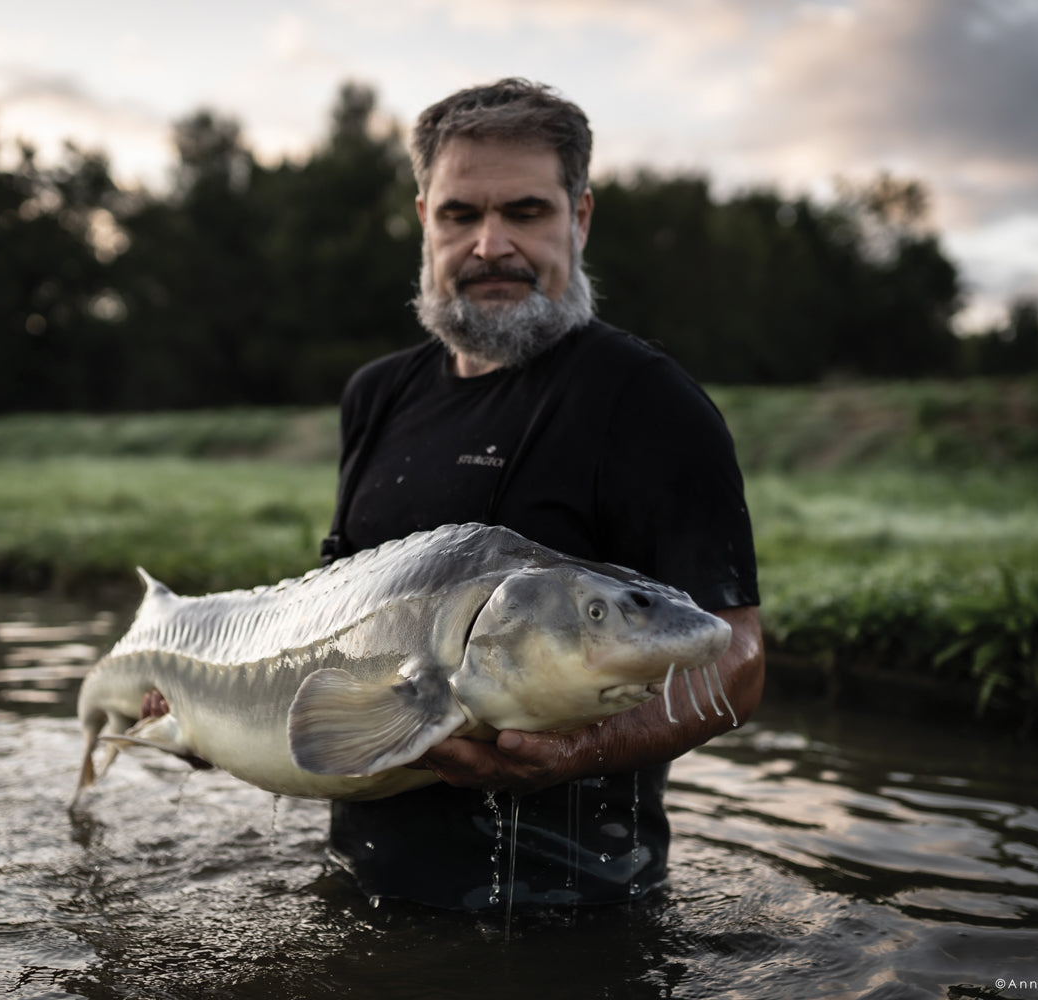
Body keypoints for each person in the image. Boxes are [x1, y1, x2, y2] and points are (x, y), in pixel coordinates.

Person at [321, 79, 764, 909]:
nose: (491, 245)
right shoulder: (377, 395)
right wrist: (218, 714)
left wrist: (574, 754)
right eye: (460, 214)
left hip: (569, 905)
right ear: (424, 220)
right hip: (359, 882)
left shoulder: (647, 402)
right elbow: (339, 623)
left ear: (580, 218)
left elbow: (736, 663)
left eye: (525, 211)